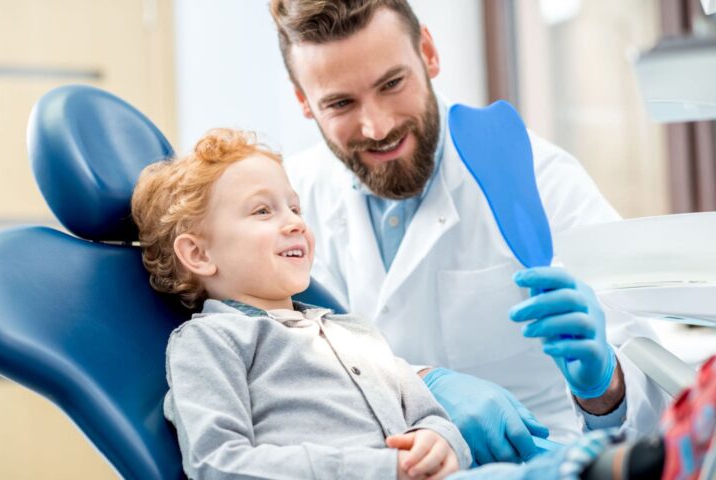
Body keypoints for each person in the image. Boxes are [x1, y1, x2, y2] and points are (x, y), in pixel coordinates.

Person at [268, 0, 668, 465]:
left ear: (428, 53)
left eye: (392, 83)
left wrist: (605, 386)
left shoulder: (541, 180)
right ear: (303, 101)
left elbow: (656, 403)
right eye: (340, 103)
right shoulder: (286, 206)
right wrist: (416, 382)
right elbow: (281, 373)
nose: (377, 126)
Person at [130, 128, 471, 479]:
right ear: (199, 254)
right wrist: (382, 469)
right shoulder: (212, 342)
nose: (294, 222)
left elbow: (431, 418)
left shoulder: (356, 332)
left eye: (294, 207)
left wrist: (438, 441)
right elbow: (218, 464)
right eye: (263, 210)